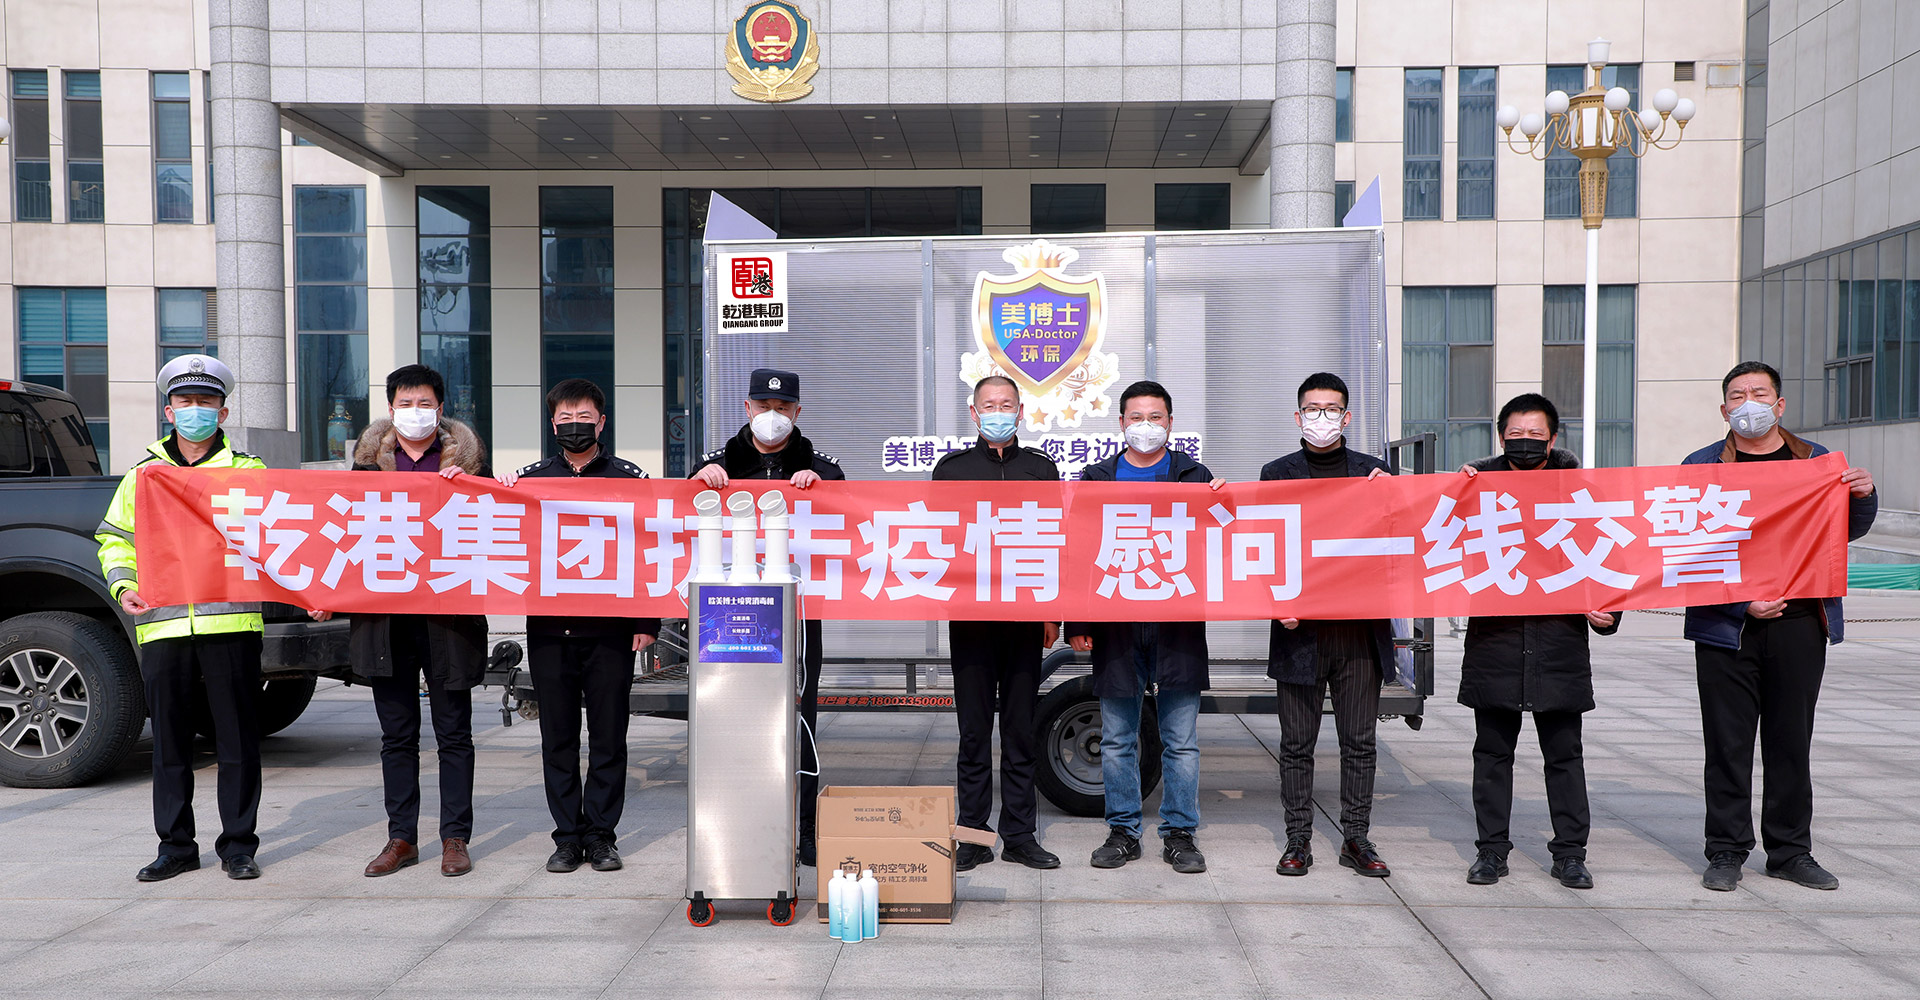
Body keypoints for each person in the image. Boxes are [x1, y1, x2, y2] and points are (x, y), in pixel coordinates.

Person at [1683, 361, 1877, 892]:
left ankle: (1790, 851)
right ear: (1724, 409)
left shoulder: (1815, 462)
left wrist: (1863, 495)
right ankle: (1726, 850)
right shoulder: (1701, 466)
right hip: (1727, 628)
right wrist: (1740, 603)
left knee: (1791, 741)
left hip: (1800, 623)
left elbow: (1843, 532)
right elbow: (1687, 552)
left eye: (1759, 393)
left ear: (1779, 404)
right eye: (1737, 395)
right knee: (1727, 743)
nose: (1748, 403)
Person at [96, 355, 268, 882]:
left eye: (206, 401)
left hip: (231, 624)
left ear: (223, 412)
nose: (196, 410)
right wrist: (123, 585)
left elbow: (279, 537)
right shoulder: (144, 476)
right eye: (186, 401)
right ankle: (175, 847)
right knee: (169, 742)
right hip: (163, 623)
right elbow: (115, 539)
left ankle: (238, 846)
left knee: (238, 741)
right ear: (169, 411)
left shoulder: (248, 472)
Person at [319, 364, 491, 878]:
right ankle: (402, 838)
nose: (415, 413)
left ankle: (455, 837)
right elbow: (338, 538)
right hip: (385, 622)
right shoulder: (365, 472)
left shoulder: (470, 469)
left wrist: (477, 490)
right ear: (391, 409)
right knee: (397, 737)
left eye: (425, 404)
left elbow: (503, 531)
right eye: (406, 404)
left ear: (441, 409)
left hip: (449, 621)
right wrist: (323, 592)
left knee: (454, 735)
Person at [1456, 393, 1620, 889]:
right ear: (1500, 436)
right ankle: (1491, 851)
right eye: (1515, 435)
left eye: (1535, 435)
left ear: (1552, 439)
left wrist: (1607, 615)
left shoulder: (1581, 497)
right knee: (1492, 756)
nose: (1524, 443)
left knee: (1564, 756)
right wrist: (1454, 493)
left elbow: (1608, 561)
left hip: (1558, 648)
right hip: (1496, 646)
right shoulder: (1475, 492)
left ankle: (1570, 854)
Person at [496, 379, 659, 874]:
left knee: (609, 739)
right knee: (558, 740)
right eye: (564, 419)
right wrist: (499, 491)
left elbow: (648, 551)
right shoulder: (530, 481)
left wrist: (647, 620)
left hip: (611, 632)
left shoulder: (630, 479)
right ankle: (567, 837)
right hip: (550, 632)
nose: (574, 426)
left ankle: (602, 836)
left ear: (601, 422)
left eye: (583, 417)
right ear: (552, 424)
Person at [1066, 380, 1224, 874]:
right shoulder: (1097, 479)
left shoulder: (1195, 477)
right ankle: (1123, 832)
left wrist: (1227, 503)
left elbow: (1225, 537)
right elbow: (1079, 550)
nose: (1146, 426)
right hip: (1116, 625)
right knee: (1117, 739)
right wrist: (1078, 620)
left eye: (1155, 417)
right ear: (1121, 423)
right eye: (1136, 417)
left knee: (1181, 741)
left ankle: (1180, 833)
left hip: (1177, 625)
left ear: (1171, 423)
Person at [691, 367, 842, 867]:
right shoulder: (715, 467)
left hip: (798, 621)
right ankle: (741, 828)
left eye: (781, 409)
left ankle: (805, 831)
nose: (771, 416)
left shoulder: (822, 470)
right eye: (763, 407)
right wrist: (698, 484)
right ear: (747, 408)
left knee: (800, 724)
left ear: (797, 412)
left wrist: (823, 489)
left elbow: (851, 526)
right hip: (729, 620)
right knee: (735, 721)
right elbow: (675, 525)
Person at [1261, 372, 1397, 878]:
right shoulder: (1277, 474)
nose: (1322, 417)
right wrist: (1275, 602)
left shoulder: (1374, 473)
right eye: (1313, 409)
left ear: (1347, 416)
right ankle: (1298, 839)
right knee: (1296, 744)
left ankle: (1355, 837)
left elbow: (1401, 539)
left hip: (1359, 635)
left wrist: (1404, 497)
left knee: (1358, 743)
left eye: (1331, 409)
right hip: (1300, 634)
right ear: (1298, 417)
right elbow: (1263, 547)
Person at [932, 375, 1063, 872]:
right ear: (974, 412)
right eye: (989, 405)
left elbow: (1055, 542)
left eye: (1006, 404)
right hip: (971, 621)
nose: (998, 412)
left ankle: (1020, 835)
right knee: (972, 732)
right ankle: (973, 835)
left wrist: (1052, 611)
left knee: (1019, 730)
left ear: (1020, 411)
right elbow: (937, 540)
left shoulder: (1041, 469)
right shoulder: (952, 470)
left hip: (1025, 619)